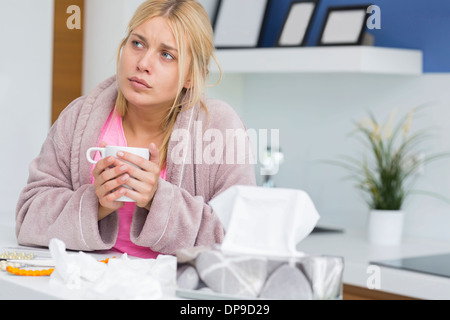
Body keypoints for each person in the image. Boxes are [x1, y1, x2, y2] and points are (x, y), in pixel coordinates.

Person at [15, 0, 255, 258]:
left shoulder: (219, 128)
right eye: (137, 43)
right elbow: (29, 216)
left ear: (190, 76)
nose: (143, 63)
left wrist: (157, 200)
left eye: (167, 55)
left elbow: (243, 236)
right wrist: (96, 204)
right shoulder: (79, 117)